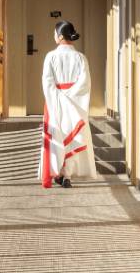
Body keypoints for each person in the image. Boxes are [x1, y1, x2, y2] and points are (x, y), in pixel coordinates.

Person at [39, 21, 97, 188]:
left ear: (60, 36)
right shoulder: (80, 57)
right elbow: (85, 82)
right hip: (74, 102)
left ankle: (57, 171)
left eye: (54, 33)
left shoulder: (50, 56)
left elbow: (47, 82)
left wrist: (59, 97)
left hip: (55, 100)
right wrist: (70, 97)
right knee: (72, 137)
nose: (54, 36)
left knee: (57, 135)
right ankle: (67, 175)